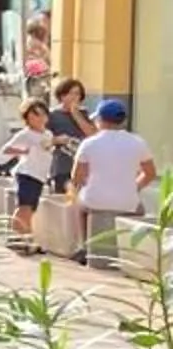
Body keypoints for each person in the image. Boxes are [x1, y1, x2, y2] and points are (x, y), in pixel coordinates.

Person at [68, 97, 158, 257]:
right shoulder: (138, 142)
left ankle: (84, 246)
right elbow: (150, 173)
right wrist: (135, 187)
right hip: (127, 201)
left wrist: (88, 184)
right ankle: (135, 252)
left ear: (100, 120)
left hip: (95, 200)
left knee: (79, 205)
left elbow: (76, 177)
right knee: (140, 210)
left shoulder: (89, 143)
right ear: (124, 121)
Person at [0, 97, 58, 247]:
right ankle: (17, 238)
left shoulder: (48, 134)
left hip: (39, 176)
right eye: (34, 115)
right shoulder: (25, 134)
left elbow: (47, 148)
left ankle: (25, 238)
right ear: (27, 118)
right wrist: (23, 151)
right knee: (24, 207)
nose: (39, 118)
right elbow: (7, 149)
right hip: (26, 173)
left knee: (31, 209)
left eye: (42, 114)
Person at [47, 77, 92, 194]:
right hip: (62, 166)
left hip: (83, 166)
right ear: (61, 96)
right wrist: (57, 140)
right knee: (63, 199)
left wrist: (76, 114)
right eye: (70, 93)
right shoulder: (52, 115)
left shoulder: (84, 113)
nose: (73, 97)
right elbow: (42, 140)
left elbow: (92, 134)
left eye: (77, 94)